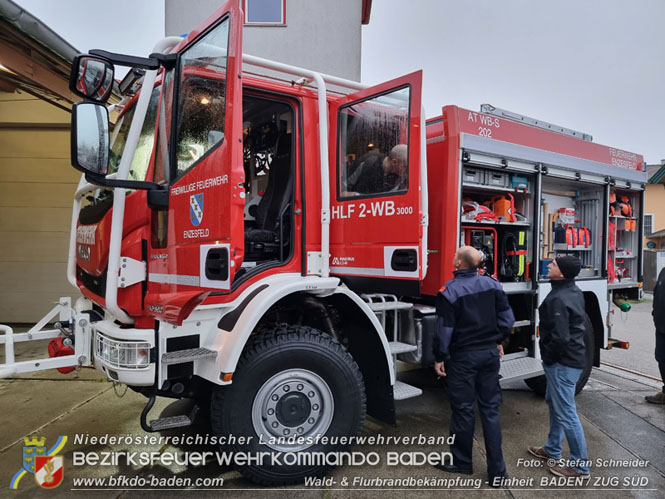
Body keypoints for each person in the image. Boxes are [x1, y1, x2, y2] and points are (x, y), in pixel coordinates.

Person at [433, 246, 514, 485]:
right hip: (489, 355)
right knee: (490, 411)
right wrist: (498, 341)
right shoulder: (493, 285)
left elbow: (444, 331)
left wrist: (439, 357)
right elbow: (507, 319)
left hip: (463, 359)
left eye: (455, 254)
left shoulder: (449, 292)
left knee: (463, 410)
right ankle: (498, 473)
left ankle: (462, 462)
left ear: (458, 263)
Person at [527, 256, 590, 478]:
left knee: (566, 412)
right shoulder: (573, 290)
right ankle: (552, 448)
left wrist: (549, 359)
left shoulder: (559, 299)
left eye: (553, 264)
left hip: (562, 363)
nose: (549, 266)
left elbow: (560, 338)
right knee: (555, 403)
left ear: (561, 273)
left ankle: (579, 466)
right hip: (572, 361)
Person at [646, 266, 665, 404]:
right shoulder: (663, 271)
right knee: (661, 358)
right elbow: (657, 294)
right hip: (661, 326)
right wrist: (655, 314)